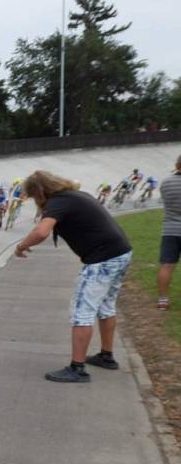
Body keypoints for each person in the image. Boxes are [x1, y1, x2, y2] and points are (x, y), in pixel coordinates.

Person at [14, 170, 132, 382]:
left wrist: (21, 246)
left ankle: (77, 369)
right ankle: (106, 356)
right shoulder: (77, 195)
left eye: (33, 197)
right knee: (106, 306)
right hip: (120, 253)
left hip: (102, 259)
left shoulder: (58, 202)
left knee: (82, 311)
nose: (35, 202)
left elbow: (41, 232)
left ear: (40, 192)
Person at [156, 156, 181, 310]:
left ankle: (163, 300)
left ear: (177, 165)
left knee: (166, 265)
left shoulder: (166, 182)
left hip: (170, 230)